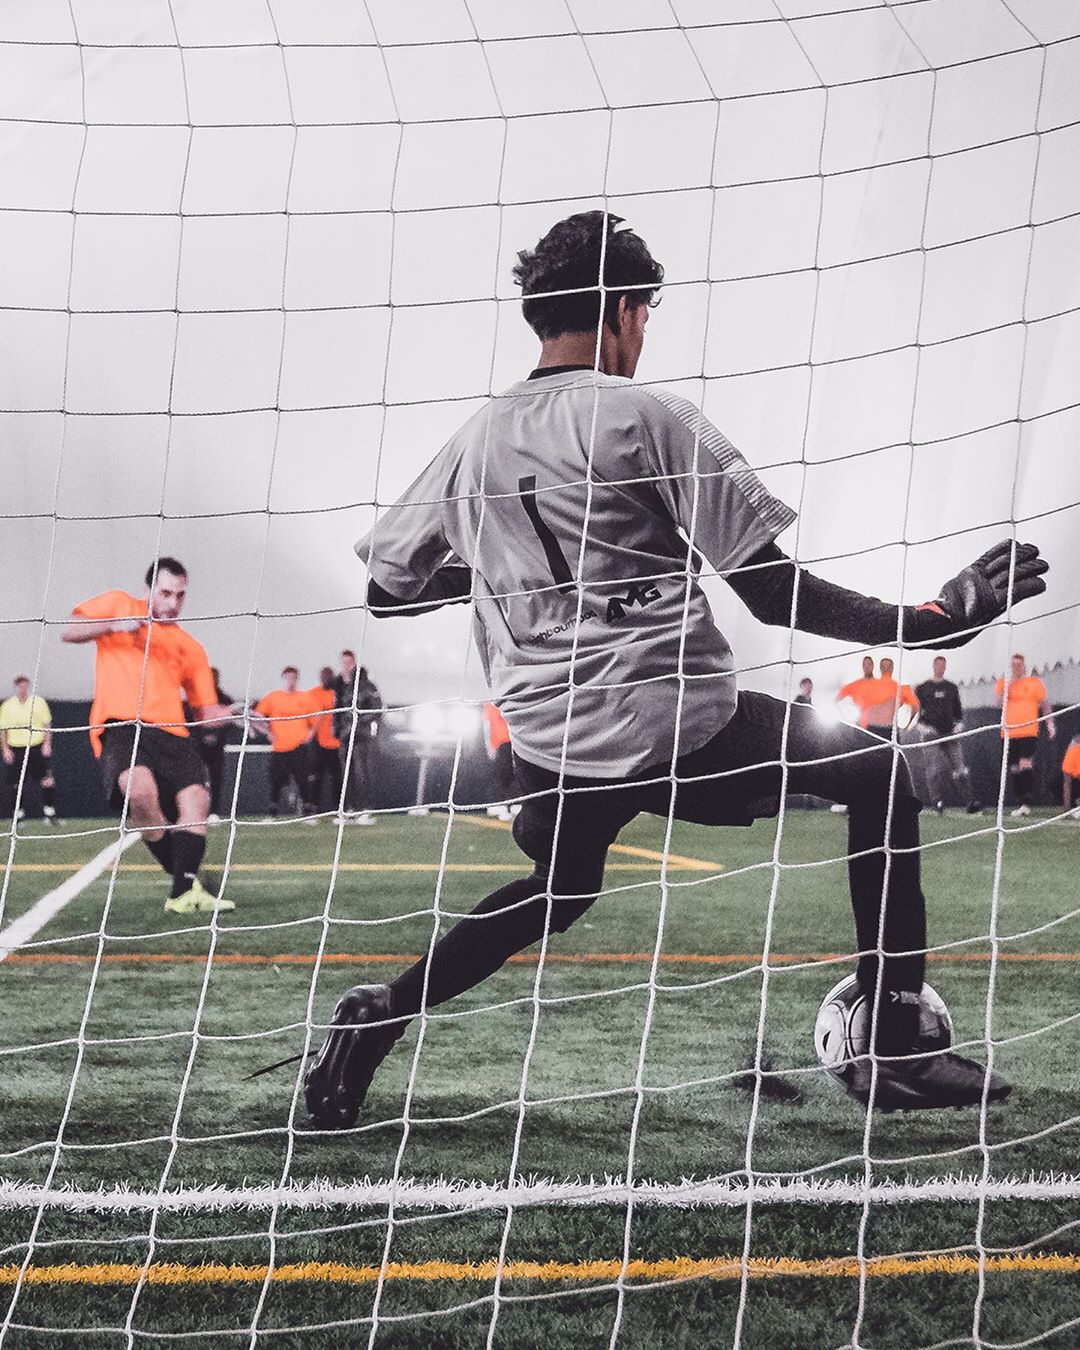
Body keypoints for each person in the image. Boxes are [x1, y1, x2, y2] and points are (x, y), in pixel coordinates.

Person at [299, 210, 1047, 1127]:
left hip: (549, 738)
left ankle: (376, 1018)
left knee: (559, 891)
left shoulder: (473, 442)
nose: (645, 330)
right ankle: (892, 1037)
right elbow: (771, 593)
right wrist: (928, 620)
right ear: (620, 309)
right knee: (879, 772)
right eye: (645, 310)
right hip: (674, 720)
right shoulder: (647, 418)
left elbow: (385, 590)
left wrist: (506, 574)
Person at [62, 558, 234, 913]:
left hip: (174, 733)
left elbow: (204, 713)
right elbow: (70, 629)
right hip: (124, 726)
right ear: (149, 590)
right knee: (138, 793)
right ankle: (187, 882)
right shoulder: (120, 604)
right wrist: (114, 625)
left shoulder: (191, 647)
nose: (173, 603)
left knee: (197, 802)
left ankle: (183, 893)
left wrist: (237, 714)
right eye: (166, 593)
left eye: (180, 595)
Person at [914, 656, 980, 814]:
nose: (940, 668)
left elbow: (958, 713)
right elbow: (914, 712)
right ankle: (937, 802)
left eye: (943, 665)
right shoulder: (922, 688)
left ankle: (970, 802)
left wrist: (958, 726)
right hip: (930, 734)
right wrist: (921, 727)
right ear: (933, 666)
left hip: (950, 734)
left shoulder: (951, 687)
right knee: (934, 770)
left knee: (960, 769)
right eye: (938, 665)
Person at [249, 667, 317, 820]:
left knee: (302, 779)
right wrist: (267, 732)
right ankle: (272, 813)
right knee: (276, 780)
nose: (290, 681)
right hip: (280, 747)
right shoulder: (274, 697)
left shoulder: (305, 697)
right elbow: (256, 717)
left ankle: (308, 813)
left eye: (293, 678)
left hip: (299, 746)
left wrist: (311, 734)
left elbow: (318, 717)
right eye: (288, 678)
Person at [995, 654, 1055, 818]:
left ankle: (1027, 802)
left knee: (1025, 764)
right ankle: (1020, 801)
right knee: (1014, 768)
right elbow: (999, 703)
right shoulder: (1004, 683)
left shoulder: (1034, 683)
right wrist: (1006, 688)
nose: (1017, 668)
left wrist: (1050, 724)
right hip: (1009, 732)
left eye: (1019, 665)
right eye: (1014, 665)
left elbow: (1045, 705)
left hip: (1028, 731)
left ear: (1024, 666)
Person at [0, 675, 59, 825]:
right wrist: (5, 749)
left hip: (36, 747)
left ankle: (50, 813)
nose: (23, 688)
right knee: (17, 782)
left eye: (25, 685)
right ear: (16, 687)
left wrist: (47, 744)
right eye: (20, 685)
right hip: (17, 748)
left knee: (46, 780)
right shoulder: (7, 705)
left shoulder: (38, 702)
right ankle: (18, 816)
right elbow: (3, 730)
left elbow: (47, 725)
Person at [336, 652, 382, 823]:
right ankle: (350, 809)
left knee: (362, 773)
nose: (346, 666)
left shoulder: (368, 686)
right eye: (344, 663)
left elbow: (376, 710)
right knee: (346, 774)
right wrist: (340, 729)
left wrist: (358, 723)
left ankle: (366, 809)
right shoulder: (344, 687)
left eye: (349, 663)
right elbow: (340, 712)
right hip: (346, 737)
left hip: (362, 737)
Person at [189, 667, 233, 821]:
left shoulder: (225, 699)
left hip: (217, 748)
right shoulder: (194, 697)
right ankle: (196, 810)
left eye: (214, 677)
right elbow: (190, 720)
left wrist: (216, 737)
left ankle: (214, 811)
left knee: (216, 777)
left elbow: (230, 722)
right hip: (197, 746)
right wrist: (201, 737)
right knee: (195, 778)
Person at [306, 666, 344, 815]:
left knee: (338, 777)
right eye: (323, 676)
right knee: (315, 776)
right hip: (319, 742)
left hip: (337, 742)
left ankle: (338, 809)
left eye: (329, 676)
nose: (326, 679)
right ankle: (313, 808)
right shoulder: (313, 694)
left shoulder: (339, 693)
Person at [482, 701, 516, 820]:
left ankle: (513, 805)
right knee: (503, 776)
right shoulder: (491, 705)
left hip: (514, 743)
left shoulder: (510, 701)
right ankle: (503, 806)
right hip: (502, 744)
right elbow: (487, 727)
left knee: (515, 775)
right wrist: (490, 747)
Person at [1061, 733, 1080, 820]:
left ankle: (1068, 808)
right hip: (1075, 746)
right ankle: (1067, 809)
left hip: (1074, 746)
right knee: (1067, 778)